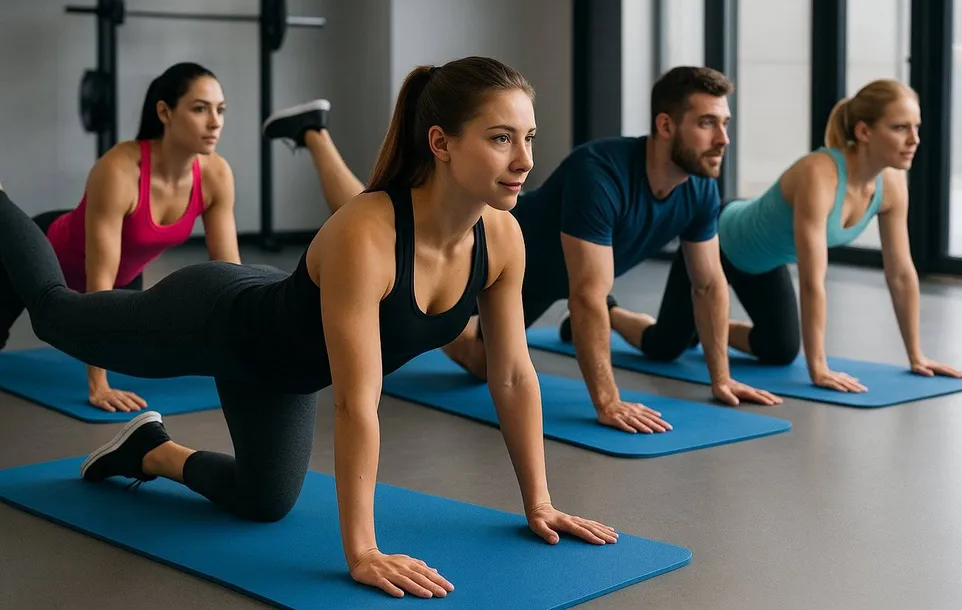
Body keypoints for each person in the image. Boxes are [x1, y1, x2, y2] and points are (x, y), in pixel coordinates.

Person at [0, 56, 617, 601]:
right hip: (215, 320)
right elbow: (355, 403)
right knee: (56, 313)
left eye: (529, 138)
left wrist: (540, 501)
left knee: (264, 502)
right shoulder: (368, 234)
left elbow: (510, 374)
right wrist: (362, 551)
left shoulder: (502, 237)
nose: (526, 160)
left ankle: (148, 451)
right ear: (441, 142)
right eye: (502, 138)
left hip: (282, 371)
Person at [439, 66, 782, 435]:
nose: (723, 139)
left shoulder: (699, 188)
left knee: (485, 365)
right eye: (707, 124)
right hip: (481, 260)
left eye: (725, 123)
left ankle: (453, 329)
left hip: (541, 284)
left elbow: (709, 285)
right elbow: (587, 297)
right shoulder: (599, 172)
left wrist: (722, 380)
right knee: (438, 341)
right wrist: (608, 401)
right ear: (665, 126)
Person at [605, 78, 962, 391]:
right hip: (722, 242)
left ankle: (706, 326)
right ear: (864, 131)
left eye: (916, 127)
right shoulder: (819, 175)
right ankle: (610, 313)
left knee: (779, 349)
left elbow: (901, 273)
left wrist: (918, 356)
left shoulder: (892, 184)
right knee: (664, 346)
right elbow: (813, 282)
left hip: (764, 261)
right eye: (901, 128)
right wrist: (818, 368)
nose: (914, 139)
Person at [0, 62, 241, 413]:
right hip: (46, 253)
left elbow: (229, 273)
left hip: (123, 276)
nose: (215, 121)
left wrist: (244, 361)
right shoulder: (119, 169)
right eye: (200, 109)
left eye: (220, 110)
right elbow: (99, 280)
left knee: (140, 355)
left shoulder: (216, 174)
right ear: (165, 111)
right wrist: (99, 385)